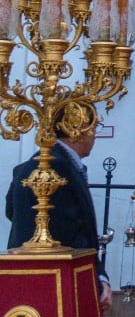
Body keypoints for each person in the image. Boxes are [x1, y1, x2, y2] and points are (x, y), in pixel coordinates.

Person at [5, 118, 111, 307]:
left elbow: (10, 211)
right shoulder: (55, 166)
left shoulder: (42, 161)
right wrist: (95, 279)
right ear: (79, 127)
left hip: (39, 275)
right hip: (53, 280)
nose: (95, 134)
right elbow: (69, 232)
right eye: (94, 127)